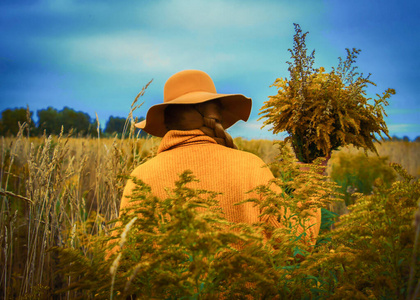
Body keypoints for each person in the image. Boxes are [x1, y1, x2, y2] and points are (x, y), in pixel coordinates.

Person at [118, 69, 321, 241]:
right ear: (219, 117)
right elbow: (299, 240)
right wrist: (311, 180)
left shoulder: (140, 179)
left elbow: (120, 261)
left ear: (167, 121)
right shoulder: (251, 168)